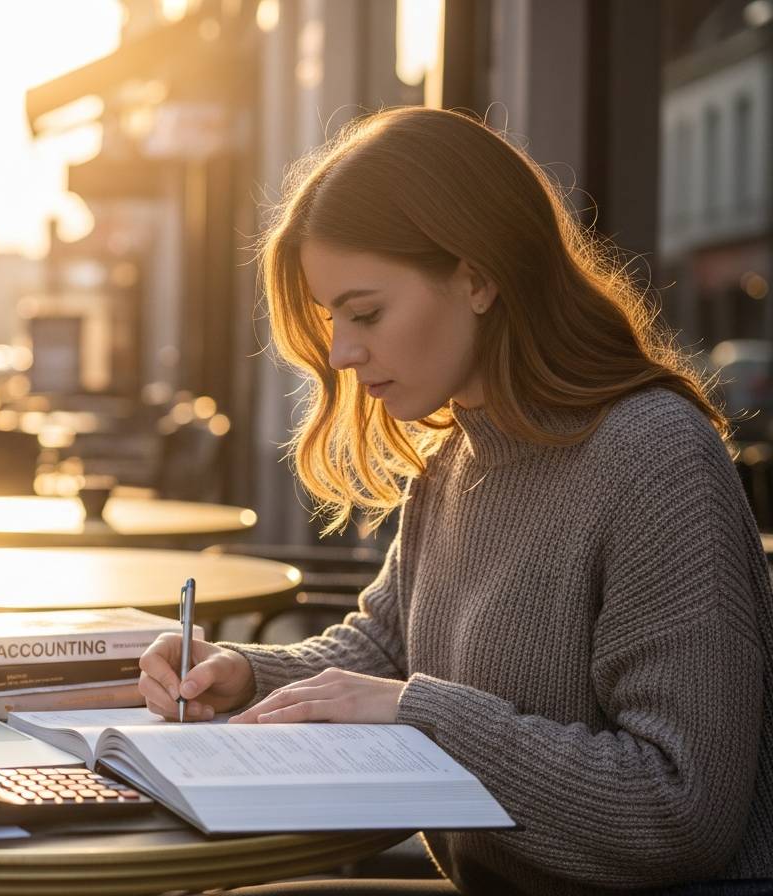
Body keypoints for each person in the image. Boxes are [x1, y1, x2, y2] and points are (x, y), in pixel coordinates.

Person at [137, 107, 773, 896]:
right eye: (332, 318)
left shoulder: (655, 458)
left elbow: (681, 810)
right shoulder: (457, 455)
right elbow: (386, 650)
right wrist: (243, 673)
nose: (341, 352)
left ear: (477, 276)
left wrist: (423, 717)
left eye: (365, 313)